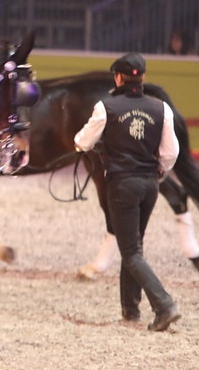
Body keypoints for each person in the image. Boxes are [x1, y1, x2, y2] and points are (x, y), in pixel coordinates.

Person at [73, 53, 181, 332]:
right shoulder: (161, 108)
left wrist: (81, 145)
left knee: (131, 251)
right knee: (134, 247)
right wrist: (160, 171)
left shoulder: (105, 107)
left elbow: (83, 142)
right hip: (150, 184)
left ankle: (164, 304)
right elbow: (171, 153)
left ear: (118, 78)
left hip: (122, 184)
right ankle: (130, 310)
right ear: (142, 78)